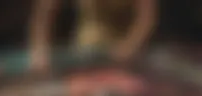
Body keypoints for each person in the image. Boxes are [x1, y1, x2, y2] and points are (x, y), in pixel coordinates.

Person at [28, 0, 157, 71]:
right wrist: (39, 51)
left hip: (128, 61)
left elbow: (146, 17)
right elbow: (45, 13)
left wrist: (129, 47)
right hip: (83, 57)